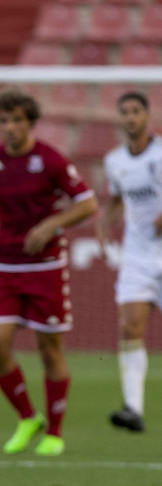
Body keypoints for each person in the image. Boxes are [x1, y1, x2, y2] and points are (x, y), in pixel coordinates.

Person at [0, 89, 98, 456]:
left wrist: (51, 223)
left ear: (29, 122)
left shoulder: (51, 160)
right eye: (3, 121)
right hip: (6, 265)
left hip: (46, 267)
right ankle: (28, 417)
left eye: (17, 120)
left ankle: (54, 431)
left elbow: (88, 203)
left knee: (49, 349)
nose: (10, 127)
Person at [98, 91, 162, 433]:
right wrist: (104, 223)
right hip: (138, 256)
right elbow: (117, 198)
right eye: (124, 112)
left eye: (136, 111)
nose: (130, 117)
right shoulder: (114, 161)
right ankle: (133, 408)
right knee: (129, 326)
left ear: (147, 115)